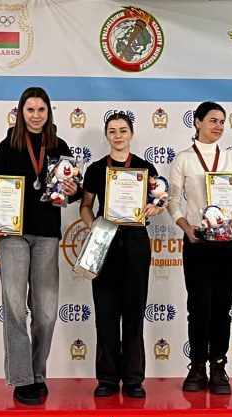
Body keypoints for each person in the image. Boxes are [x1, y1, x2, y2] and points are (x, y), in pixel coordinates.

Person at [0, 87, 80, 405]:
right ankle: (22, 379)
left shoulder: (59, 146)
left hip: (46, 235)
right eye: (30, 110)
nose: (36, 115)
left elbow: (72, 189)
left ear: (49, 112)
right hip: (12, 235)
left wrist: (74, 190)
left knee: (46, 312)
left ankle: (37, 373)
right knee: (15, 308)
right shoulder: (8, 145)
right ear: (21, 112)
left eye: (41, 110)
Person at [168, 101, 232, 395]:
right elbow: (173, 202)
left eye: (222, 121)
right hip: (198, 240)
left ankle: (218, 365)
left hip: (229, 241)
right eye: (212, 120)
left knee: (221, 307)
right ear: (197, 122)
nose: (218, 126)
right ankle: (197, 366)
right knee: (198, 308)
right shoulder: (184, 159)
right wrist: (186, 228)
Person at [79, 113, 161, 399]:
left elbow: (159, 201)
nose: (118, 136)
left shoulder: (145, 168)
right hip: (104, 242)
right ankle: (107, 378)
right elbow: (85, 206)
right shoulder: (95, 169)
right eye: (112, 131)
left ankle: (134, 379)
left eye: (123, 130)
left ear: (131, 134)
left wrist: (155, 208)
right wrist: (94, 226)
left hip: (136, 242)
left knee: (134, 312)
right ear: (106, 135)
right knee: (106, 312)